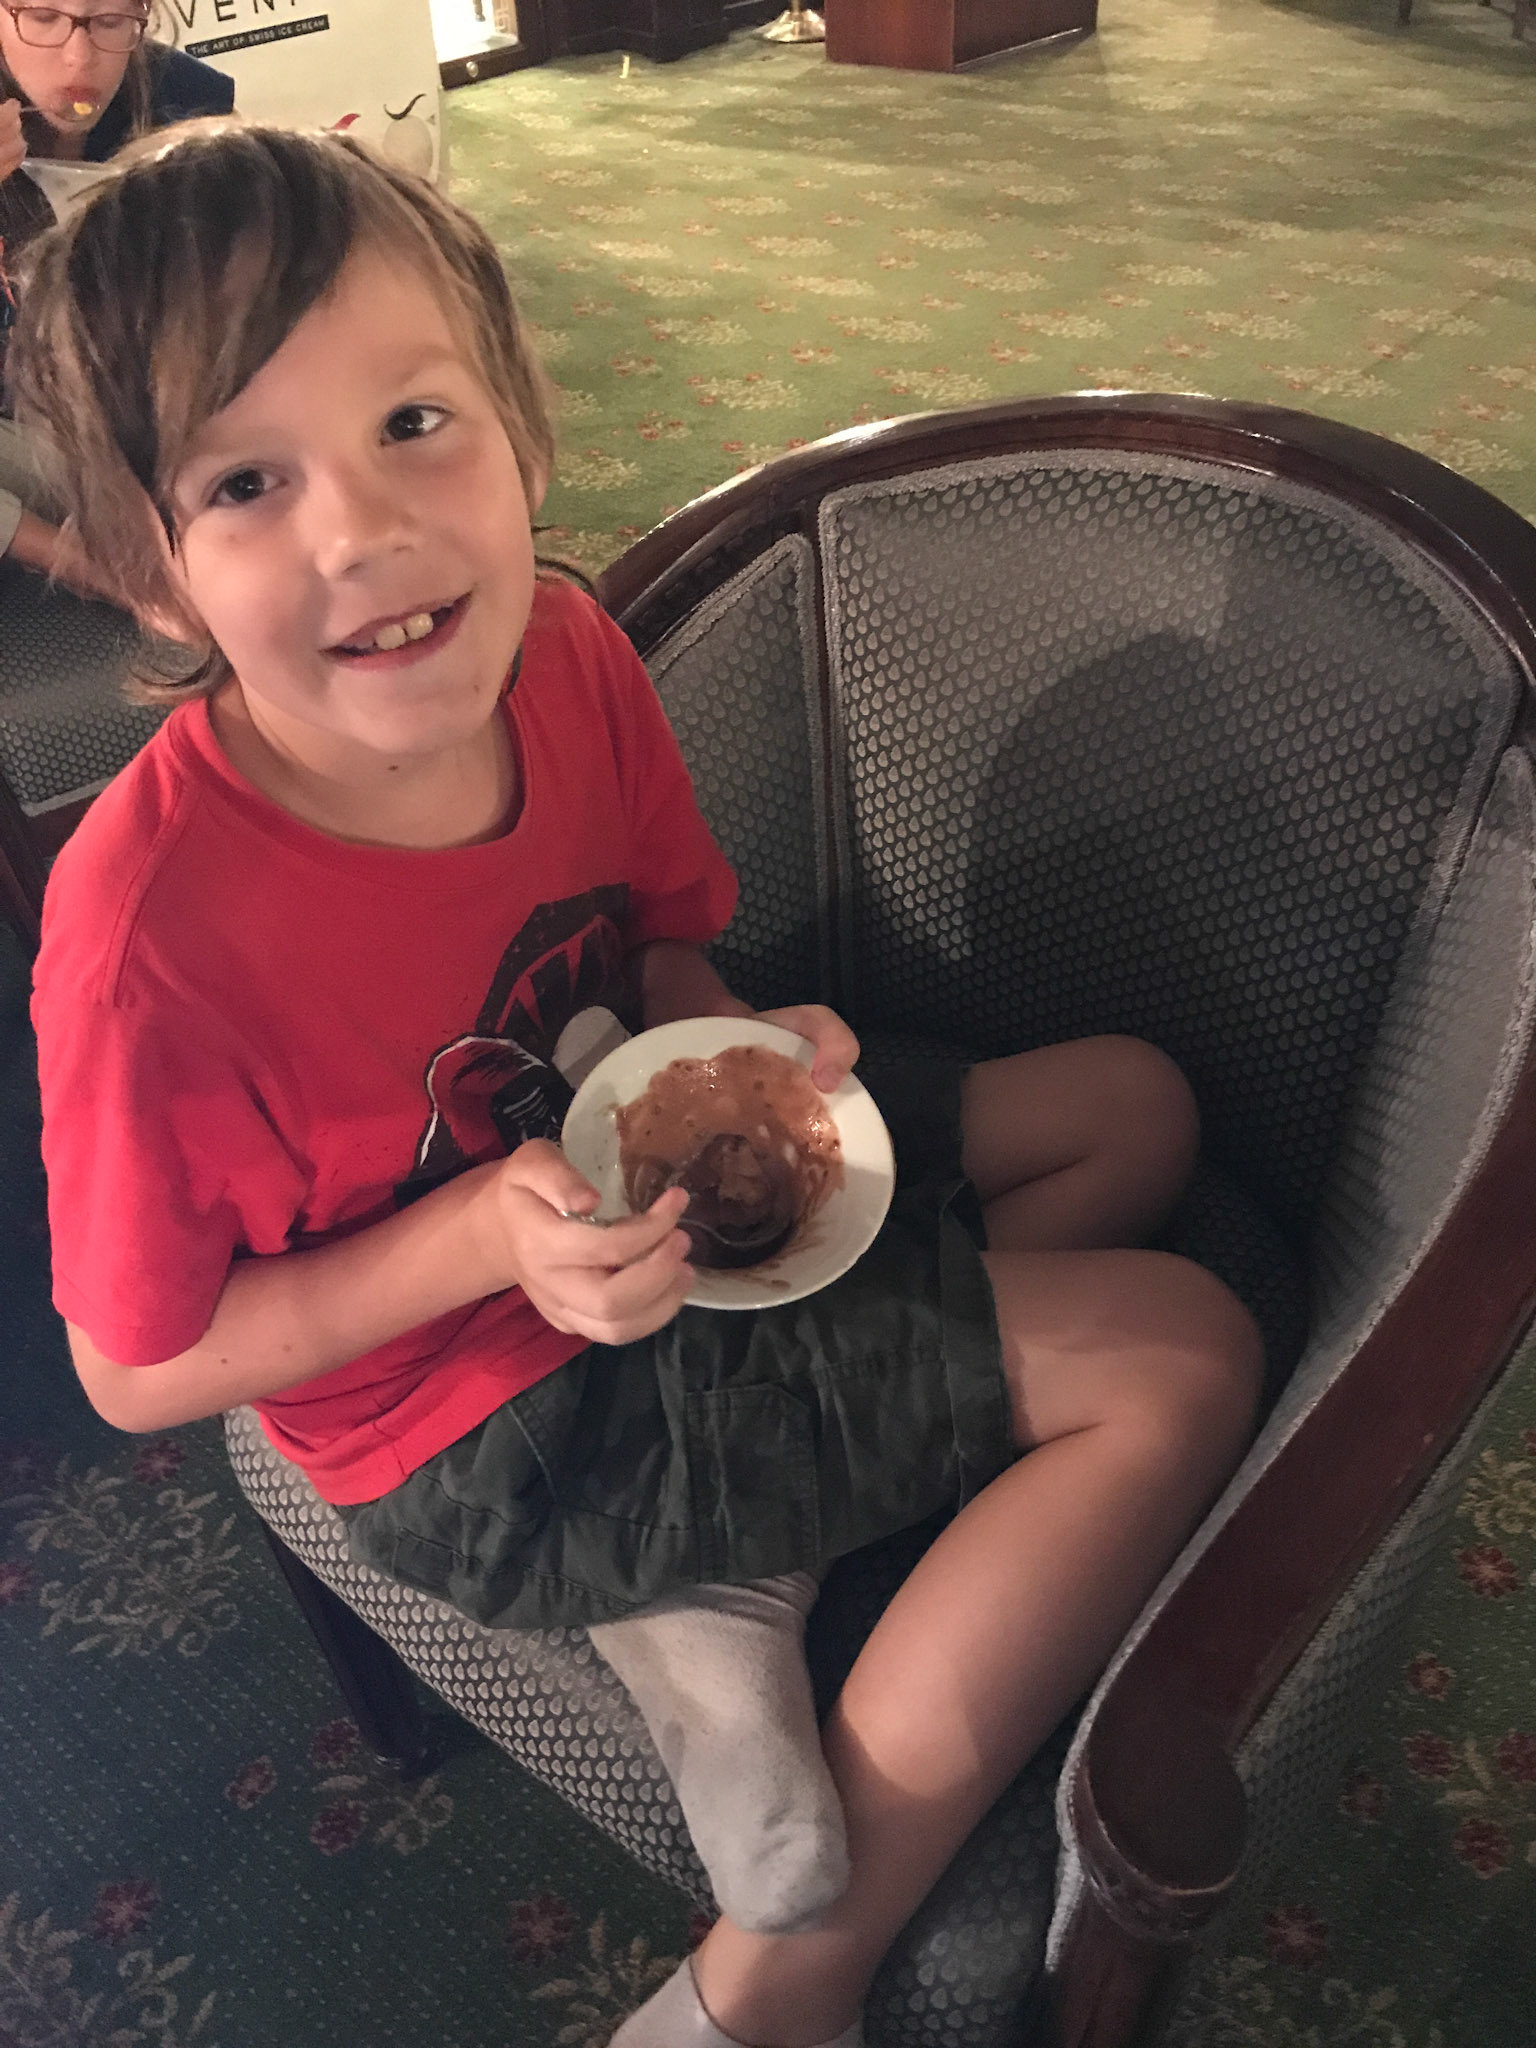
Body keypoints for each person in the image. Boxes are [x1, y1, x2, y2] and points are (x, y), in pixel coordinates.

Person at [13, 126, 1263, 2048]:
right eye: (247, 481)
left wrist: (746, 1047)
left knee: (1132, 1109)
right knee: (1178, 1353)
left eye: (414, 420)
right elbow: (135, 1367)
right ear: (147, 571)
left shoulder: (575, 652)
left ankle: (745, 1550)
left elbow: (665, 953)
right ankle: (770, 1989)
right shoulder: (148, 935)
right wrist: (477, 1242)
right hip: (479, 1427)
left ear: (521, 429)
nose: (365, 530)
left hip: (647, 1194)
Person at [0, 0, 233, 596]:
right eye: (43, 17)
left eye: (110, 22)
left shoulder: (183, 101)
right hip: (28, 449)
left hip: (163, 412)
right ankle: (103, 571)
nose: (79, 58)